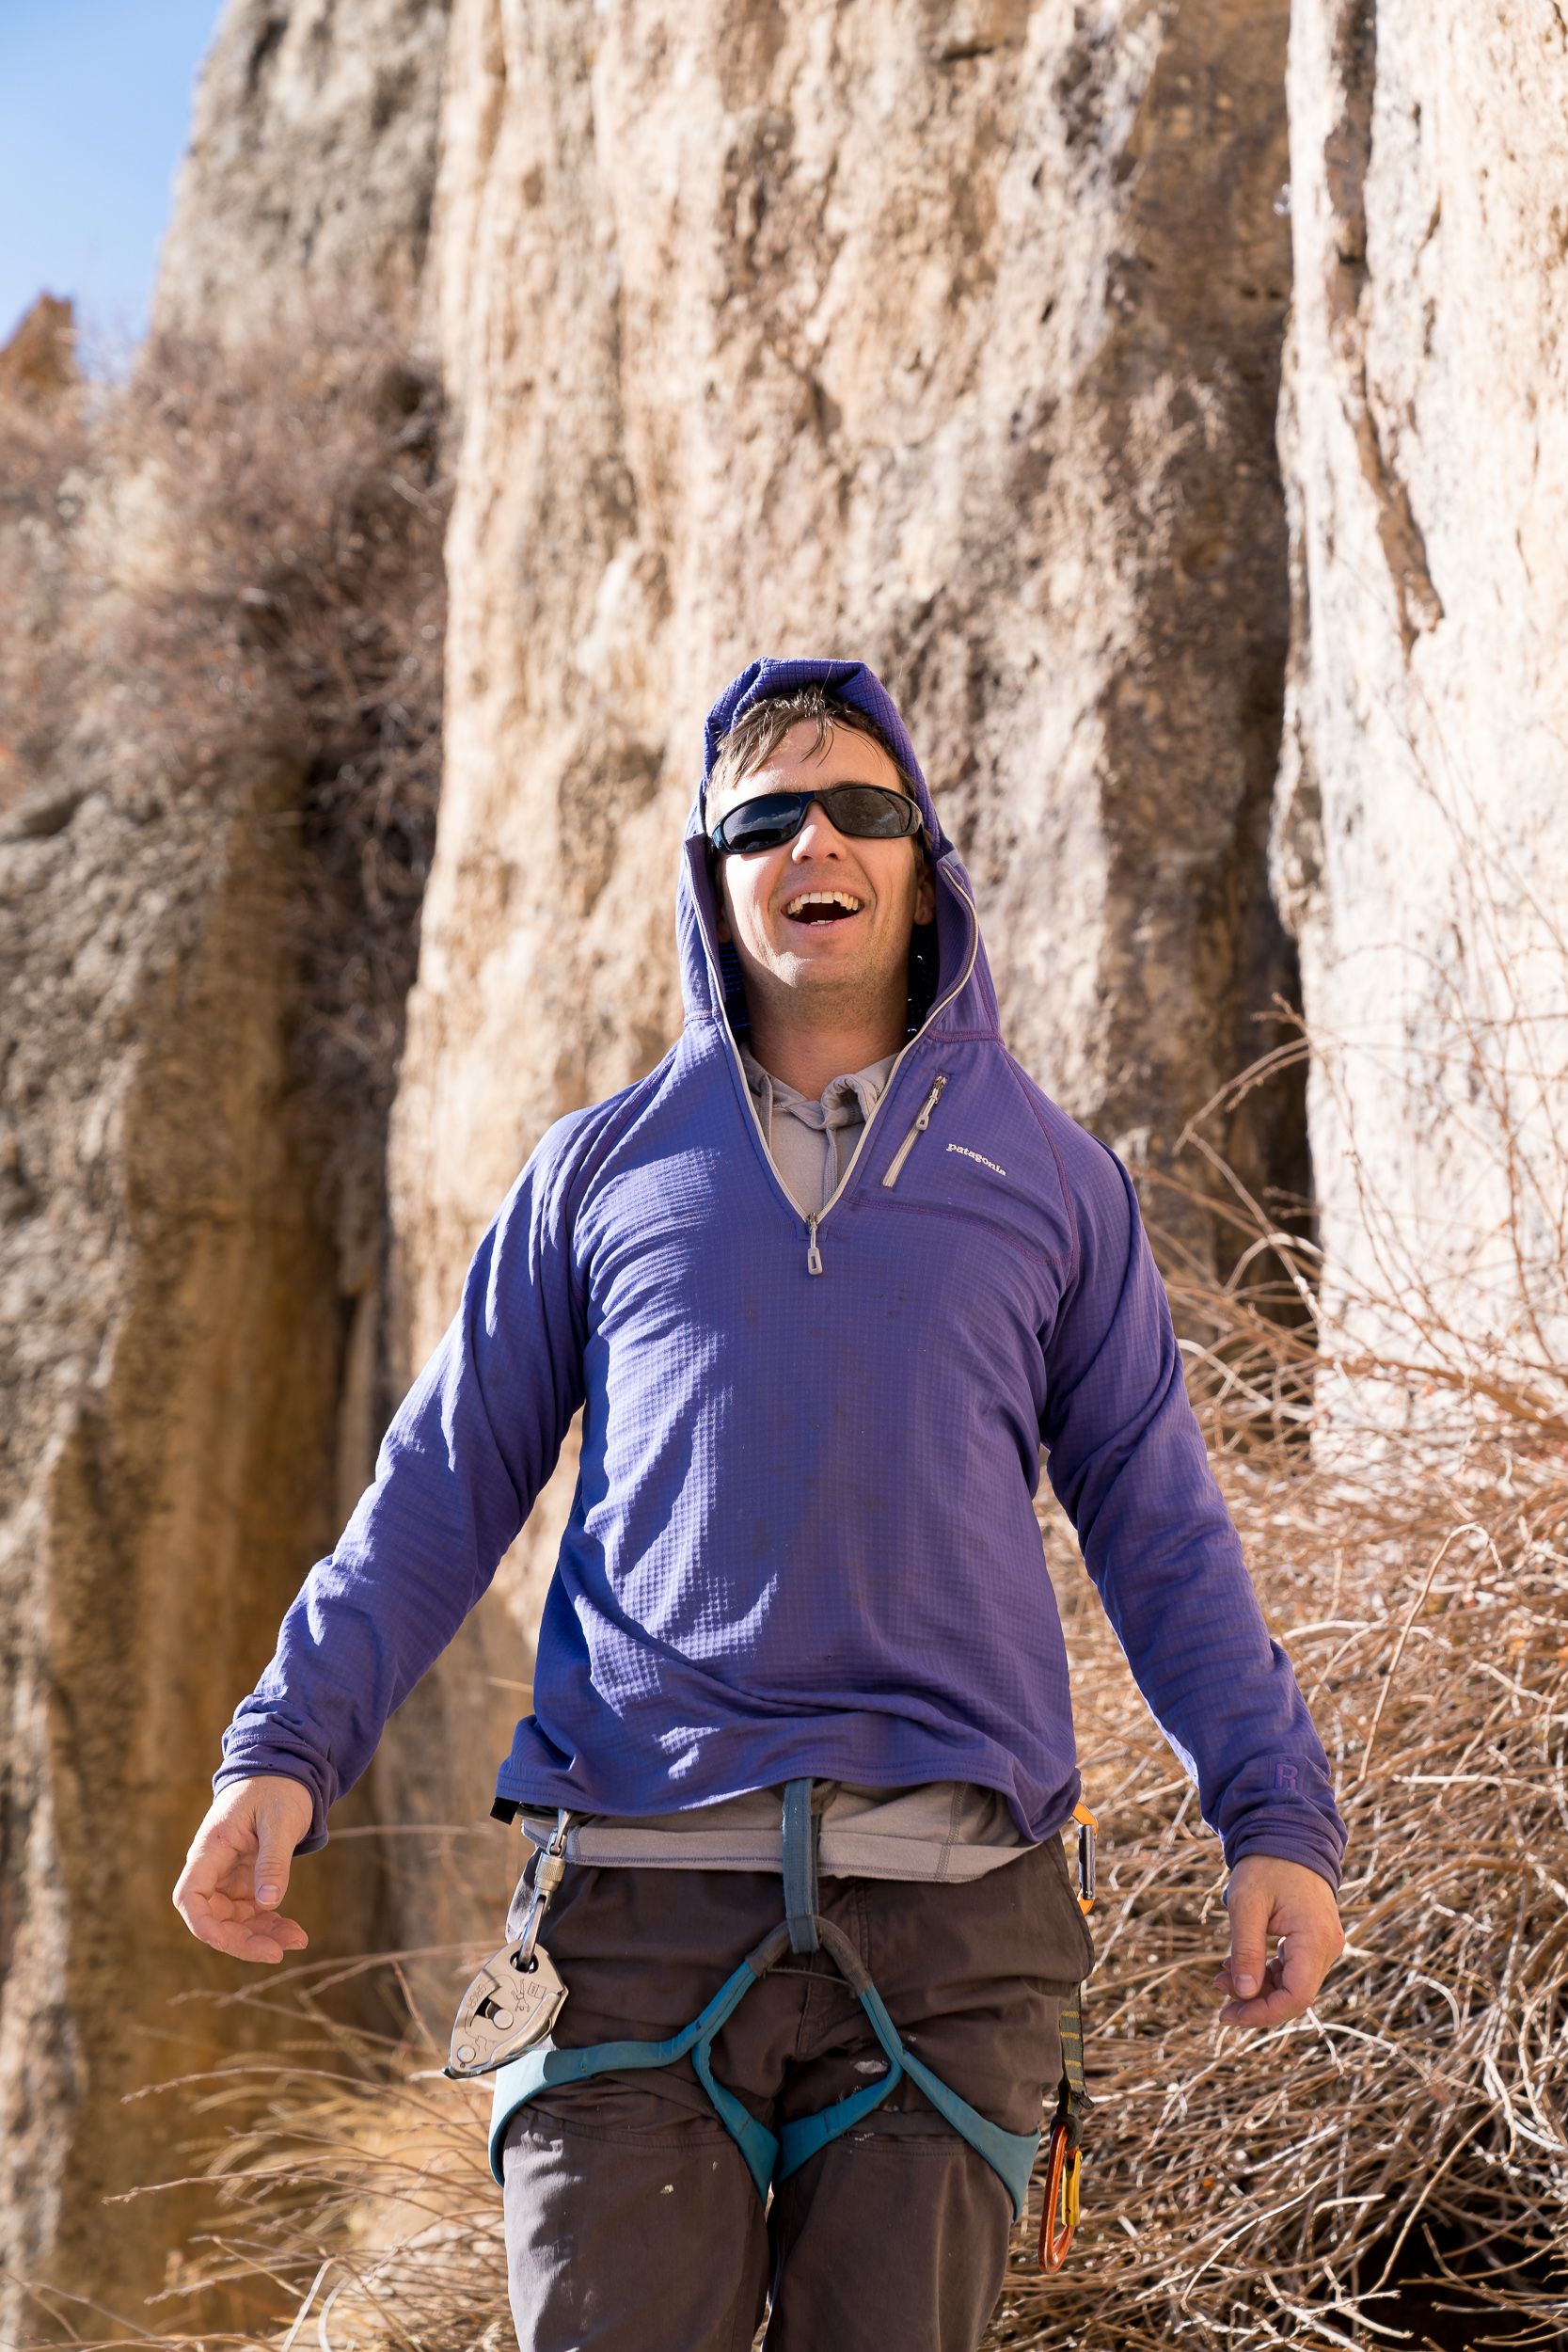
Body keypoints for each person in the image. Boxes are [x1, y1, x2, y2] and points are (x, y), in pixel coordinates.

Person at [175, 656, 1346, 2351]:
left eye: (863, 809)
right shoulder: (595, 1173)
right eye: (766, 817)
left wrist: (1276, 1816)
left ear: (920, 858)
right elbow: (435, 1491)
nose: (820, 837)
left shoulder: (1054, 1180)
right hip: (632, 1915)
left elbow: (1159, 1530)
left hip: (954, 1938)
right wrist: (282, 1750)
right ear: (713, 879)